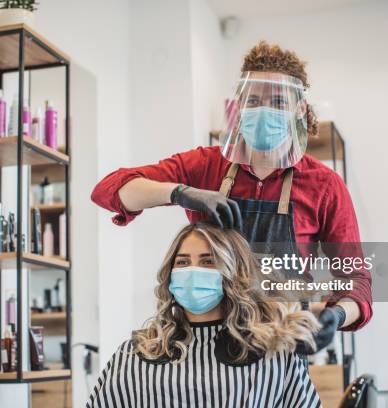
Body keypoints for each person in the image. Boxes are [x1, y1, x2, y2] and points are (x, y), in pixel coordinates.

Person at [92, 41, 372, 348]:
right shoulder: (206, 165)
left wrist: (337, 315)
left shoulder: (324, 185)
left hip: (281, 344)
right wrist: (180, 193)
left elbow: (356, 280)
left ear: (300, 109)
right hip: (204, 342)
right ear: (239, 107)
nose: (263, 111)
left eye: (278, 102)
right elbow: (110, 190)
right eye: (253, 100)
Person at [86, 223, 322, 408]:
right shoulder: (136, 353)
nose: (193, 271)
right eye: (183, 262)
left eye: (208, 261)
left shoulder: (272, 354)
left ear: (234, 272)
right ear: (170, 274)